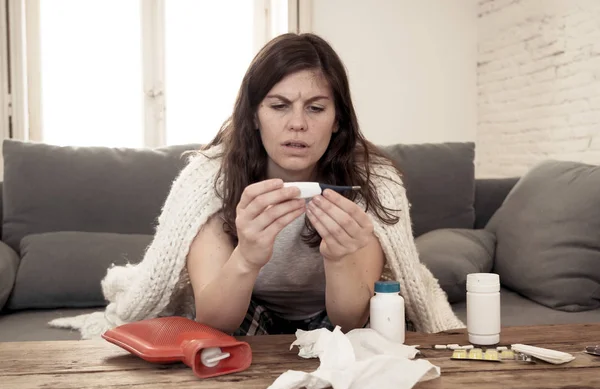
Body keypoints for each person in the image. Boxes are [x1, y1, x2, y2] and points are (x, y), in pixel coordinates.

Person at [49, 33, 464, 339]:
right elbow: (212, 321)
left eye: (315, 108)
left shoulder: (371, 182)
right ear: (252, 115)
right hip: (248, 313)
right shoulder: (211, 179)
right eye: (279, 106)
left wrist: (340, 258)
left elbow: (349, 322)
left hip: (330, 320)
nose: (297, 124)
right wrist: (247, 255)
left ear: (337, 119)